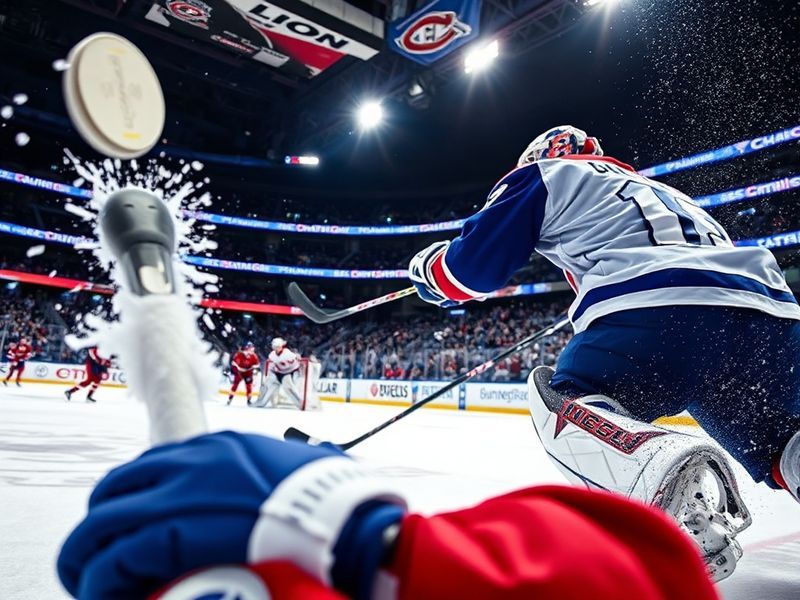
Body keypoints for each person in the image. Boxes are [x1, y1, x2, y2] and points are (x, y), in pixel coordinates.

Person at [408, 125, 800, 580]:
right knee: (782, 442)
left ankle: (668, 483)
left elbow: (469, 271)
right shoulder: (663, 192)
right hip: (771, 316)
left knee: (568, 402)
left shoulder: (546, 174)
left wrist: (428, 273)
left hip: (664, 309)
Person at [57, 430, 718, 600]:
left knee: (568, 387)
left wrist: (359, 548)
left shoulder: (544, 181)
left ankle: (649, 454)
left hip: (626, 311)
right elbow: (644, 572)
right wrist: (385, 560)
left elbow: (472, 263)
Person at [255, 338, 310, 409]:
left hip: (288, 373)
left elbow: (298, 359)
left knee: (289, 388)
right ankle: (261, 402)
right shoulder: (272, 355)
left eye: (278, 346)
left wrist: (301, 369)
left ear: (281, 346)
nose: (276, 348)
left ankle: (301, 404)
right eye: (275, 346)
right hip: (277, 373)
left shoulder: (287, 353)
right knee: (267, 384)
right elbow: (272, 366)